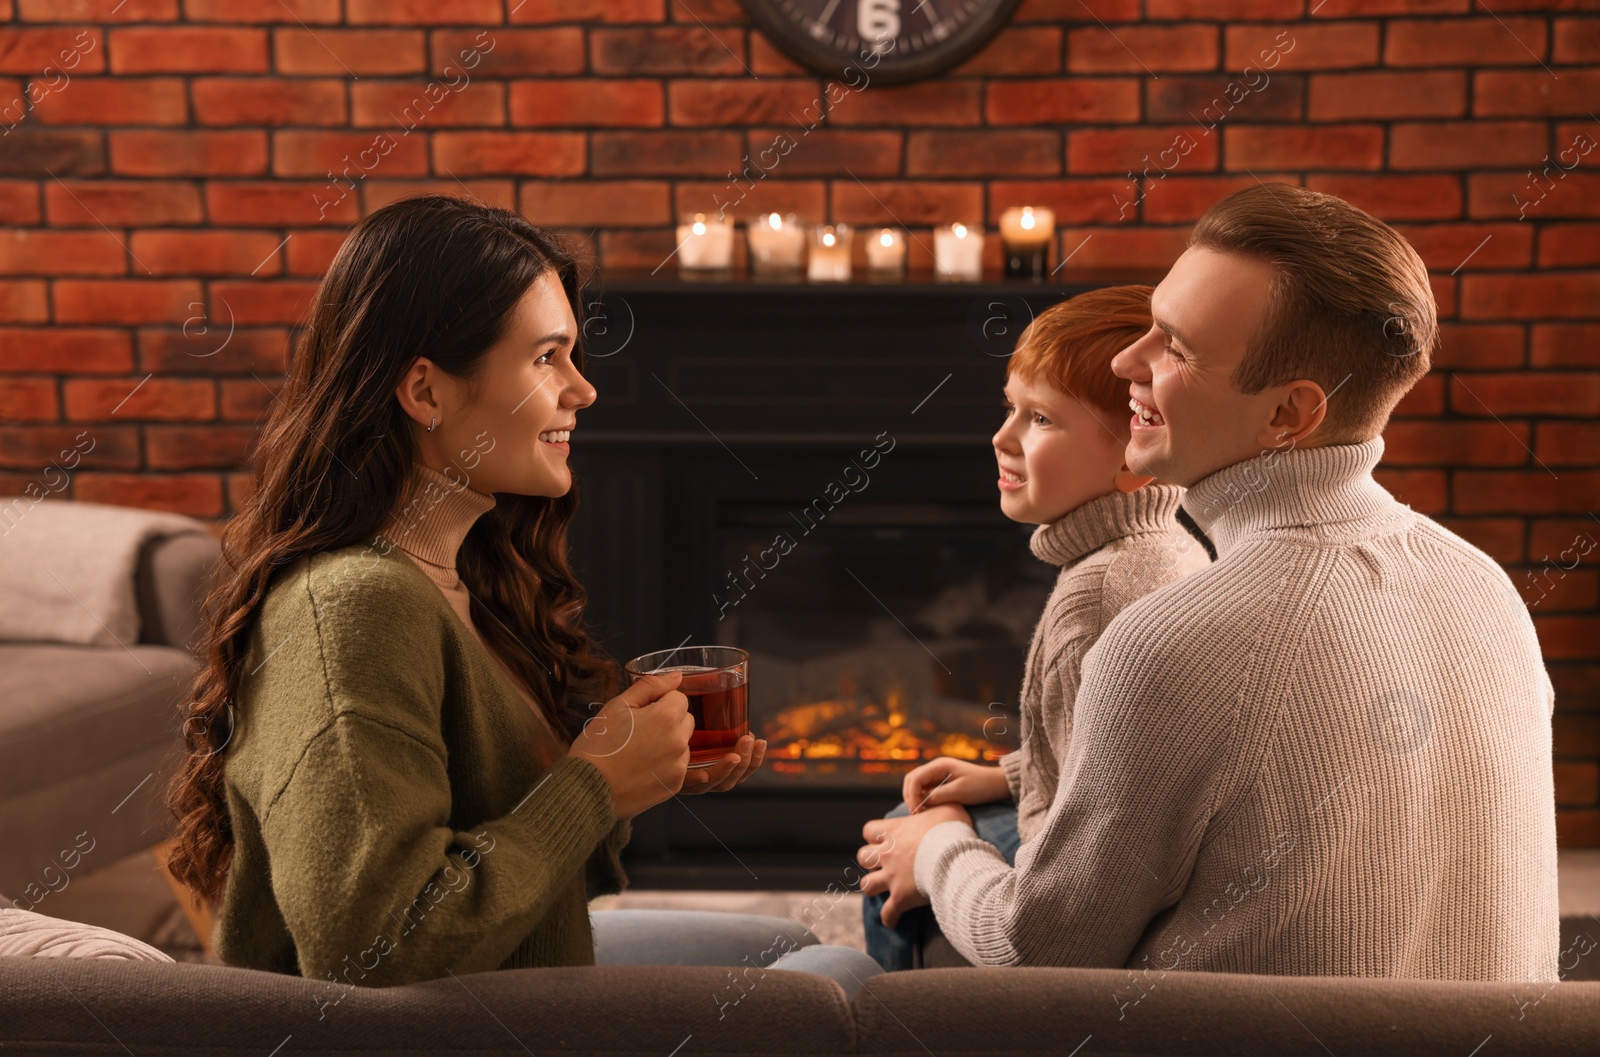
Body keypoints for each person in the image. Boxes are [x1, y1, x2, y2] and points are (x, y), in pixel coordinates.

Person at [163, 195, 881, 996]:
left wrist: (636, 779)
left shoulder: (452, 577)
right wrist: (595, 782)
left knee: (791, 941)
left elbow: (488, 831)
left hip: (503, 977)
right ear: (426, 392)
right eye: (547, 358)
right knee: (839, 977)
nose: (584, 391)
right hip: (445, 1034)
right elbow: (374, 948)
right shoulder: (354, 607)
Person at [856, 183, 1560, 982]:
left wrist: (941, 844)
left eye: (1175, 349)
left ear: (1289, 414)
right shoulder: (1486, 585)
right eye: (1151, 325)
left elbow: (1038, 950)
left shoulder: (1174, 639)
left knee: (855, 951)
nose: (1128, 361)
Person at [861, 286, 1213, 971]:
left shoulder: (1095, 598)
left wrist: (937, 846)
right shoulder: (1175, 544)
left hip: (1065, 916)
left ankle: (892, 1007)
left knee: (895, 842)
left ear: (1132, 456)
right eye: (1010, 408)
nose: (1002, 437)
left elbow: (1078, 865)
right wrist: (1012, 777)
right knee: (916, 816)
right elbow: (1119, 763)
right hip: (1104, 852)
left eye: (1041, 418)